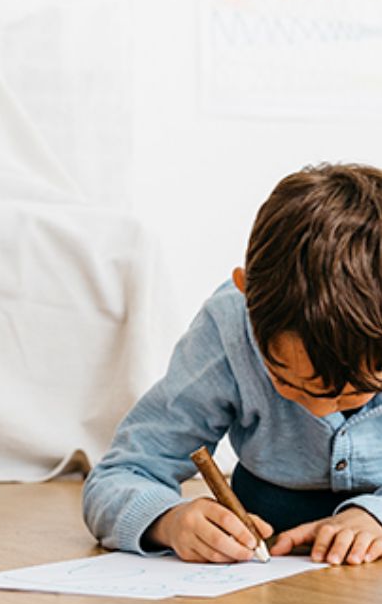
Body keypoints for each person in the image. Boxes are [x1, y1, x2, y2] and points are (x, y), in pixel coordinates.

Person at [83, 163, 382, 568]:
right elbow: (119, 475)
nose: (318, 409)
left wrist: (374, 514)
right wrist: (168, 522)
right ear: (248, 296)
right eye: (288, 381)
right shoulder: (228, 330)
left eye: (355, 391)